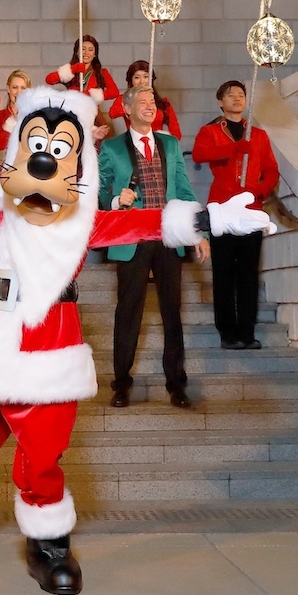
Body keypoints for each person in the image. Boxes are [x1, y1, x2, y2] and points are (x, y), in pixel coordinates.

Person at [0, 88, 273, 595]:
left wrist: (211, 218)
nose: (43, 157)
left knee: (41, 453)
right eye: (36, 143)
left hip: (46, 347)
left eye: (59, 149)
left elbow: (144, 221)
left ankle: (49, 545)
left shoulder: (83, 225)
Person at [98, 87, 203, 408]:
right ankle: (121, 384)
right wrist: (117, 200)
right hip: (132, 238)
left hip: (168, 237)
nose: (149, 107)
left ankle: (176, 384)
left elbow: (184, 190)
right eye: (141, 102)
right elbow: (99, 193)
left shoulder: (170, 145)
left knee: (172, 313)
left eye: (152, 103)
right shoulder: (113, 147)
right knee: (128, 312)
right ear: (126, 109)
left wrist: (198, 231)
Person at [192, 79, 280, 349]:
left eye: (241, 95)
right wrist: (233, 148)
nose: (237, 99)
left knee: (248, 275)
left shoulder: (259, 135)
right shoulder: (210, 131)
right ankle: (227, 332)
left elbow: (272, 170)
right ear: (221, 101)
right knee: (224, 274)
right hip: (222, 210)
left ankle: (247, 331)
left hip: (251, 210)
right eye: (231, 95)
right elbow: (198, 154)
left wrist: (259, 193)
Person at [45, 35, 120, 140]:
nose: (86, 53)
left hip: (92, 115)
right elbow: (49, 79)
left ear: (95, 54)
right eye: (83, 49)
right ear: (77, 51)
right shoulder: (71, 70)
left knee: (100, 144)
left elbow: (115, 92)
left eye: (90, 50)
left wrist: (95, 95)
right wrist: (73, 69)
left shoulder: (101, 72)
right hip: (71, 113)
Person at [121, 60, 180, 139]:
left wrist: (161, 141)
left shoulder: (164, 102)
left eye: (146, 77)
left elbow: (176, 134)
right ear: (131, 80)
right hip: (134, 143)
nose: (142, 81)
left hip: (158, 145)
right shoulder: (125, 101)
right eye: (137, 77)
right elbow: (113, 113)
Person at [0, 70, 31, 152]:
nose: (19, 92)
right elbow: (0, 145)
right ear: (8, 89)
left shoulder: (34, 115)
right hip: (9, 162)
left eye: (23, 88)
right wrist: (13, 120)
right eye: (15, 87)